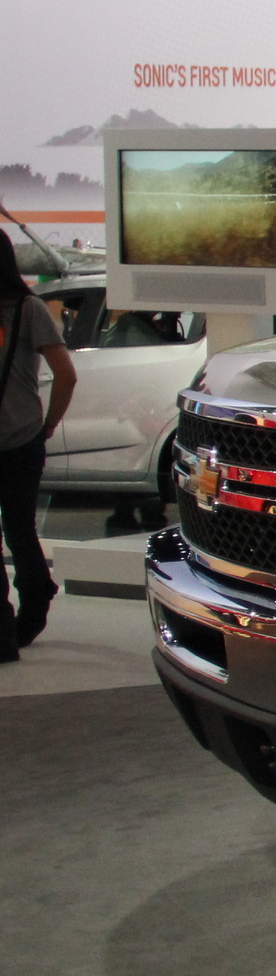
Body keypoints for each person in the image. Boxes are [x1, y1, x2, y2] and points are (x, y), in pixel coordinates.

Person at [0, 229, 78, 659]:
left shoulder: (28, 309)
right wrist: (46, 425)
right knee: (19, 529)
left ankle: (9, 626)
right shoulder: (30, 310)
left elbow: (67, 375)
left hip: (20, 440)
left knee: (15, 531)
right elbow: (66, 375)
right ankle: (29, 605)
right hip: (22, 439)